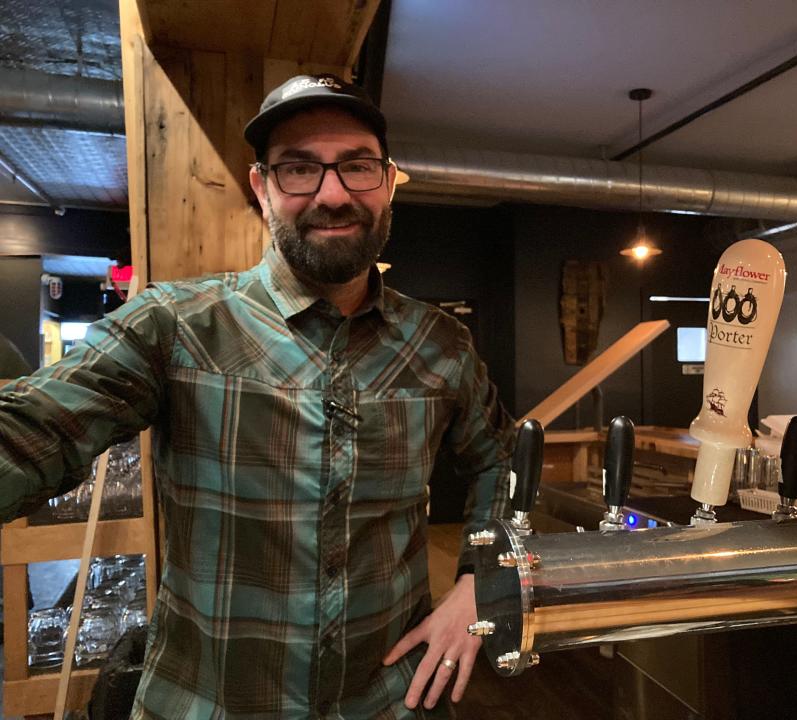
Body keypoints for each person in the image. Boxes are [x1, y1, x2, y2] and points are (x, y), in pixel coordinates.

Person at [0, 74, 514, 718]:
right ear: (261, 188)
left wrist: (481, 582)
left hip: (390, 700)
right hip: (207, 702)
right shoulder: (173, 326)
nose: (332, 194)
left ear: (387, 184)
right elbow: (32, 431)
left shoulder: (442, 344)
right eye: (299, 168)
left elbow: (505, 460)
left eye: (357, 167)